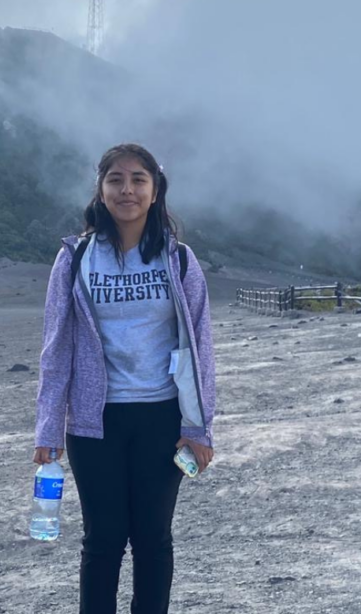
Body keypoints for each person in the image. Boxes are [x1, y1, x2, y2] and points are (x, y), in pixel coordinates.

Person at [33, 143, 217, 613]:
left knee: (153, 539)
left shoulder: (178, 261)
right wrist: (48, 429)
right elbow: (57, 350)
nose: (127, 189)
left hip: (161, 417)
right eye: (115, 179)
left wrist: (199, 428)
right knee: (103, 540)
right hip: (94, 424)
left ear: (155, 191)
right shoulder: (75, 259)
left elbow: (200, 348)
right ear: (101, 189)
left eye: (139, 179)